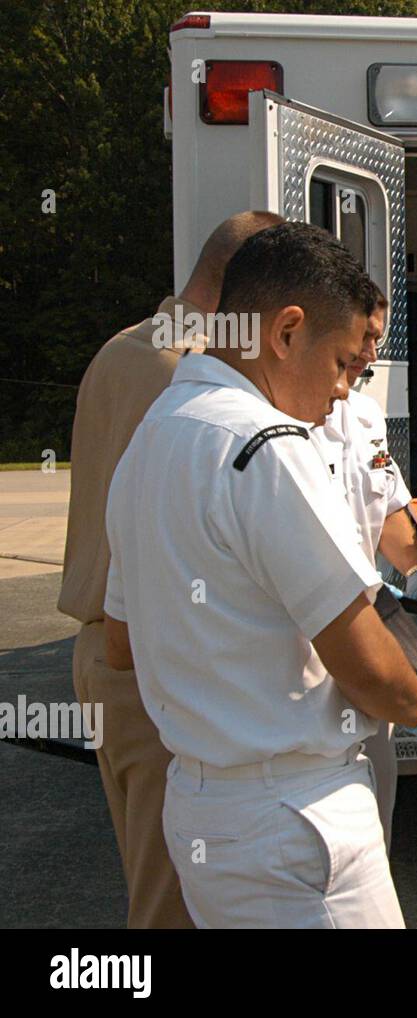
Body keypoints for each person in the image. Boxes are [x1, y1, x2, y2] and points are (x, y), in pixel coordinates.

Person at [102, 222, 417, 928]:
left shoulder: (153, 437)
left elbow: (121, 643)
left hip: (204, 809)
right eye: (343, 363)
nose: (345, 392)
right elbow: (364, 662)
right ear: (285, 332)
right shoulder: (269, 449)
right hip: (293, 815)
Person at [58, 210, 283, 928]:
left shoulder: (122, 349)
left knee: (152, 877)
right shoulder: (186, 377)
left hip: (102, 652)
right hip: (149, 657)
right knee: (173, 902)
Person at [311, 292, 417, 852]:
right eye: (362, 338)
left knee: (374, 830)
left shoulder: (363, 416)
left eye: (378, 338)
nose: (371, 352)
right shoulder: (276, 427)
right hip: (309, 666)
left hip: (371, 643)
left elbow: (389, 506)